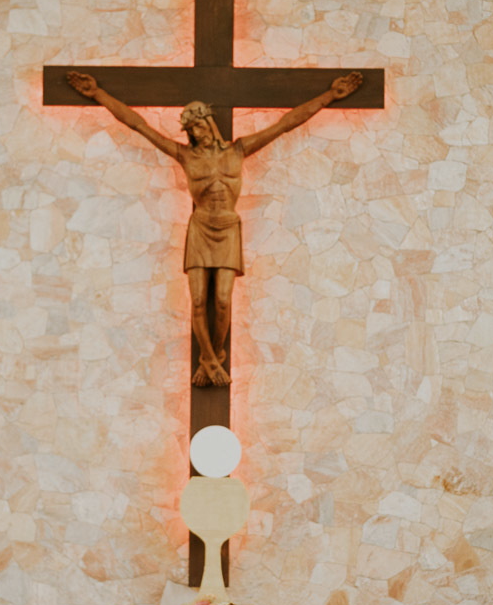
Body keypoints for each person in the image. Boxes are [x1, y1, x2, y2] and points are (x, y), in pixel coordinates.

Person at [67, 70, 363, 388]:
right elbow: (138, 125)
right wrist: (97, 94)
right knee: (197, 301)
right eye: (191, 127)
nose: (198, 131)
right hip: (200, 227)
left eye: (200, 124)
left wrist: (330, 95)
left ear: (210, 123)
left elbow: (286, 123)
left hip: (228, 227)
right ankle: (208, 360)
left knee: (222, 300)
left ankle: (212, 357)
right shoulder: (184, 155)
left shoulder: (238, 150)